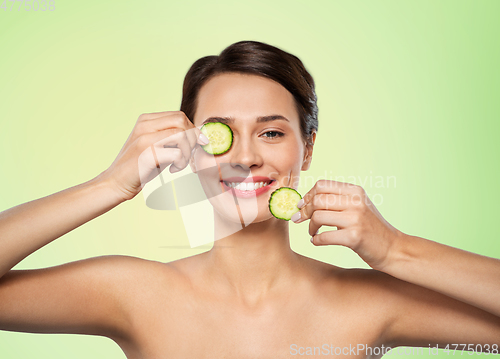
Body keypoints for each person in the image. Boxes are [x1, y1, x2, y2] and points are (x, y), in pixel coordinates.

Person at [0, 40, 499, 358]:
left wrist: (396, 251)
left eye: (272, 134)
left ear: (306, 149)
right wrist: (110, 185)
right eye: (218, 134)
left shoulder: (371, 302)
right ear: (186, 149)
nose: (244, 157)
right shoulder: (134, 294)